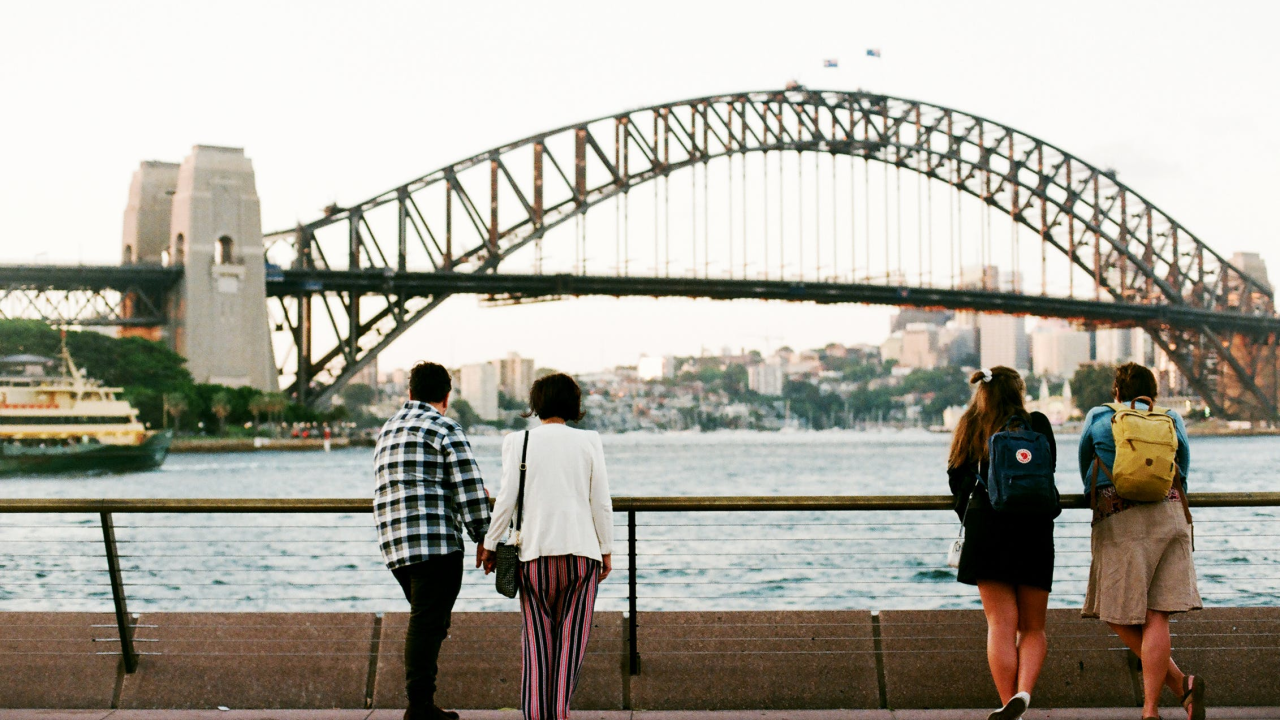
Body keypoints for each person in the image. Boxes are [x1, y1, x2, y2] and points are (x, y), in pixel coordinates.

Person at [479, 373, 613, 720]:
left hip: (533, 558)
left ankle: (538, 715)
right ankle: (559, 713)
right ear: (574, 405)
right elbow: (600, 502)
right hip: (581, 556)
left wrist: (490, 543)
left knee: (537, 648)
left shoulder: (517, 442)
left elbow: (506, 500)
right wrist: (607, 548)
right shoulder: (589, 442)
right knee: (571, 645)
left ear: (535, 405)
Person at [1079, 362, 1205, 720]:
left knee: (1111, 610)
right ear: (1153, 391)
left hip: (1120, 520)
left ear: (1116, 393)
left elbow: (1085, 466)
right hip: (1170, 516)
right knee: (1157, 615)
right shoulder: (1171, 418)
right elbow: (1183, 467)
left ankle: (1179, 688)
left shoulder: (1100, 416)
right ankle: (1157, 706)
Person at [373, 361, 491, 720]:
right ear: (447, 396)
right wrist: (485, 537)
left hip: (395, 545)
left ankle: (422, 703)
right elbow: (468, 488)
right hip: (435, 542)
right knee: (427, 624)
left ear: (409, 394)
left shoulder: (388, 429)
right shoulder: (444, 427)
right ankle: (420, 707)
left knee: (428, 620)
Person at [947, 366, 1056, 720]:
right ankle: (1023, 692)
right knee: (1034, 627)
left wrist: (976, 511)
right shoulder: (1037, 423)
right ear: (1018, 391)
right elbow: (1048, 468)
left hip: (987, 530)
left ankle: (1010, 703)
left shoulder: (970, 424)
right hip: (1035, 530)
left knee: (1000, 625)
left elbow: (955, 476)